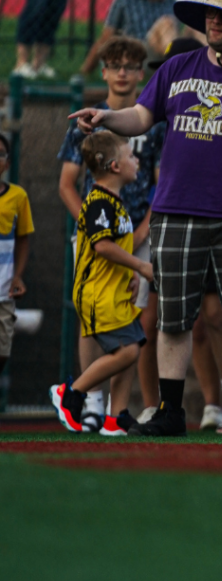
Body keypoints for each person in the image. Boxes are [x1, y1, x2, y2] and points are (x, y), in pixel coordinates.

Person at [68, 0, 222, 438]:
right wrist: (107, 116)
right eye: (210, 12)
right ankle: (170, 411)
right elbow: (142, 117)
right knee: (173, 315)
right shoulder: (178, 67)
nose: (213, 20)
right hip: (176, 208)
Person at [57, 37, 165, 427]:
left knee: (133, 321)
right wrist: (90, 231)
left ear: (141, 74)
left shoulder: (151, 123)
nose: (122, 72)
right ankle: (90, 401)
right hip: (98, 236)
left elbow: (160, 184)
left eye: (130, 66)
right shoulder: (85, 122)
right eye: (114, 65)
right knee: (93, 318)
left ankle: (118, 410)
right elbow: (67, 184)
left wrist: (138, 233)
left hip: (138, 232)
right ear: (102, 71)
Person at [50, 133, 154, 436]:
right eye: (130, 156)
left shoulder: (114, 202)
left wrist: (130, 275)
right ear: (114, 166)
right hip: (98, 295)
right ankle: (71, 393)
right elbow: (102, 247)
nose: (137, 161)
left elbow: (117, 246)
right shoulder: (98, 202)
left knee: (132, 345)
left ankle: (116, 417)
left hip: (114, 292)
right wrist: (140, 266)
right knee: (127, 352)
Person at [79, 0, 177, 76]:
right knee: (167, 23)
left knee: (198, 26)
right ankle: (179, 71)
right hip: (136, 55)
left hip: (162, 53)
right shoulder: (125, 1)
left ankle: (197, 70)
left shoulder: (170, 1)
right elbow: (106, 38)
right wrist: (85, 71)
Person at [0, 134, 33, 376]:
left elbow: (23, 239)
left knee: (2, 352)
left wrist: (18, 277)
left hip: (3, 291)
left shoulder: (18, 196)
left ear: (7, 163)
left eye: (1, 154)